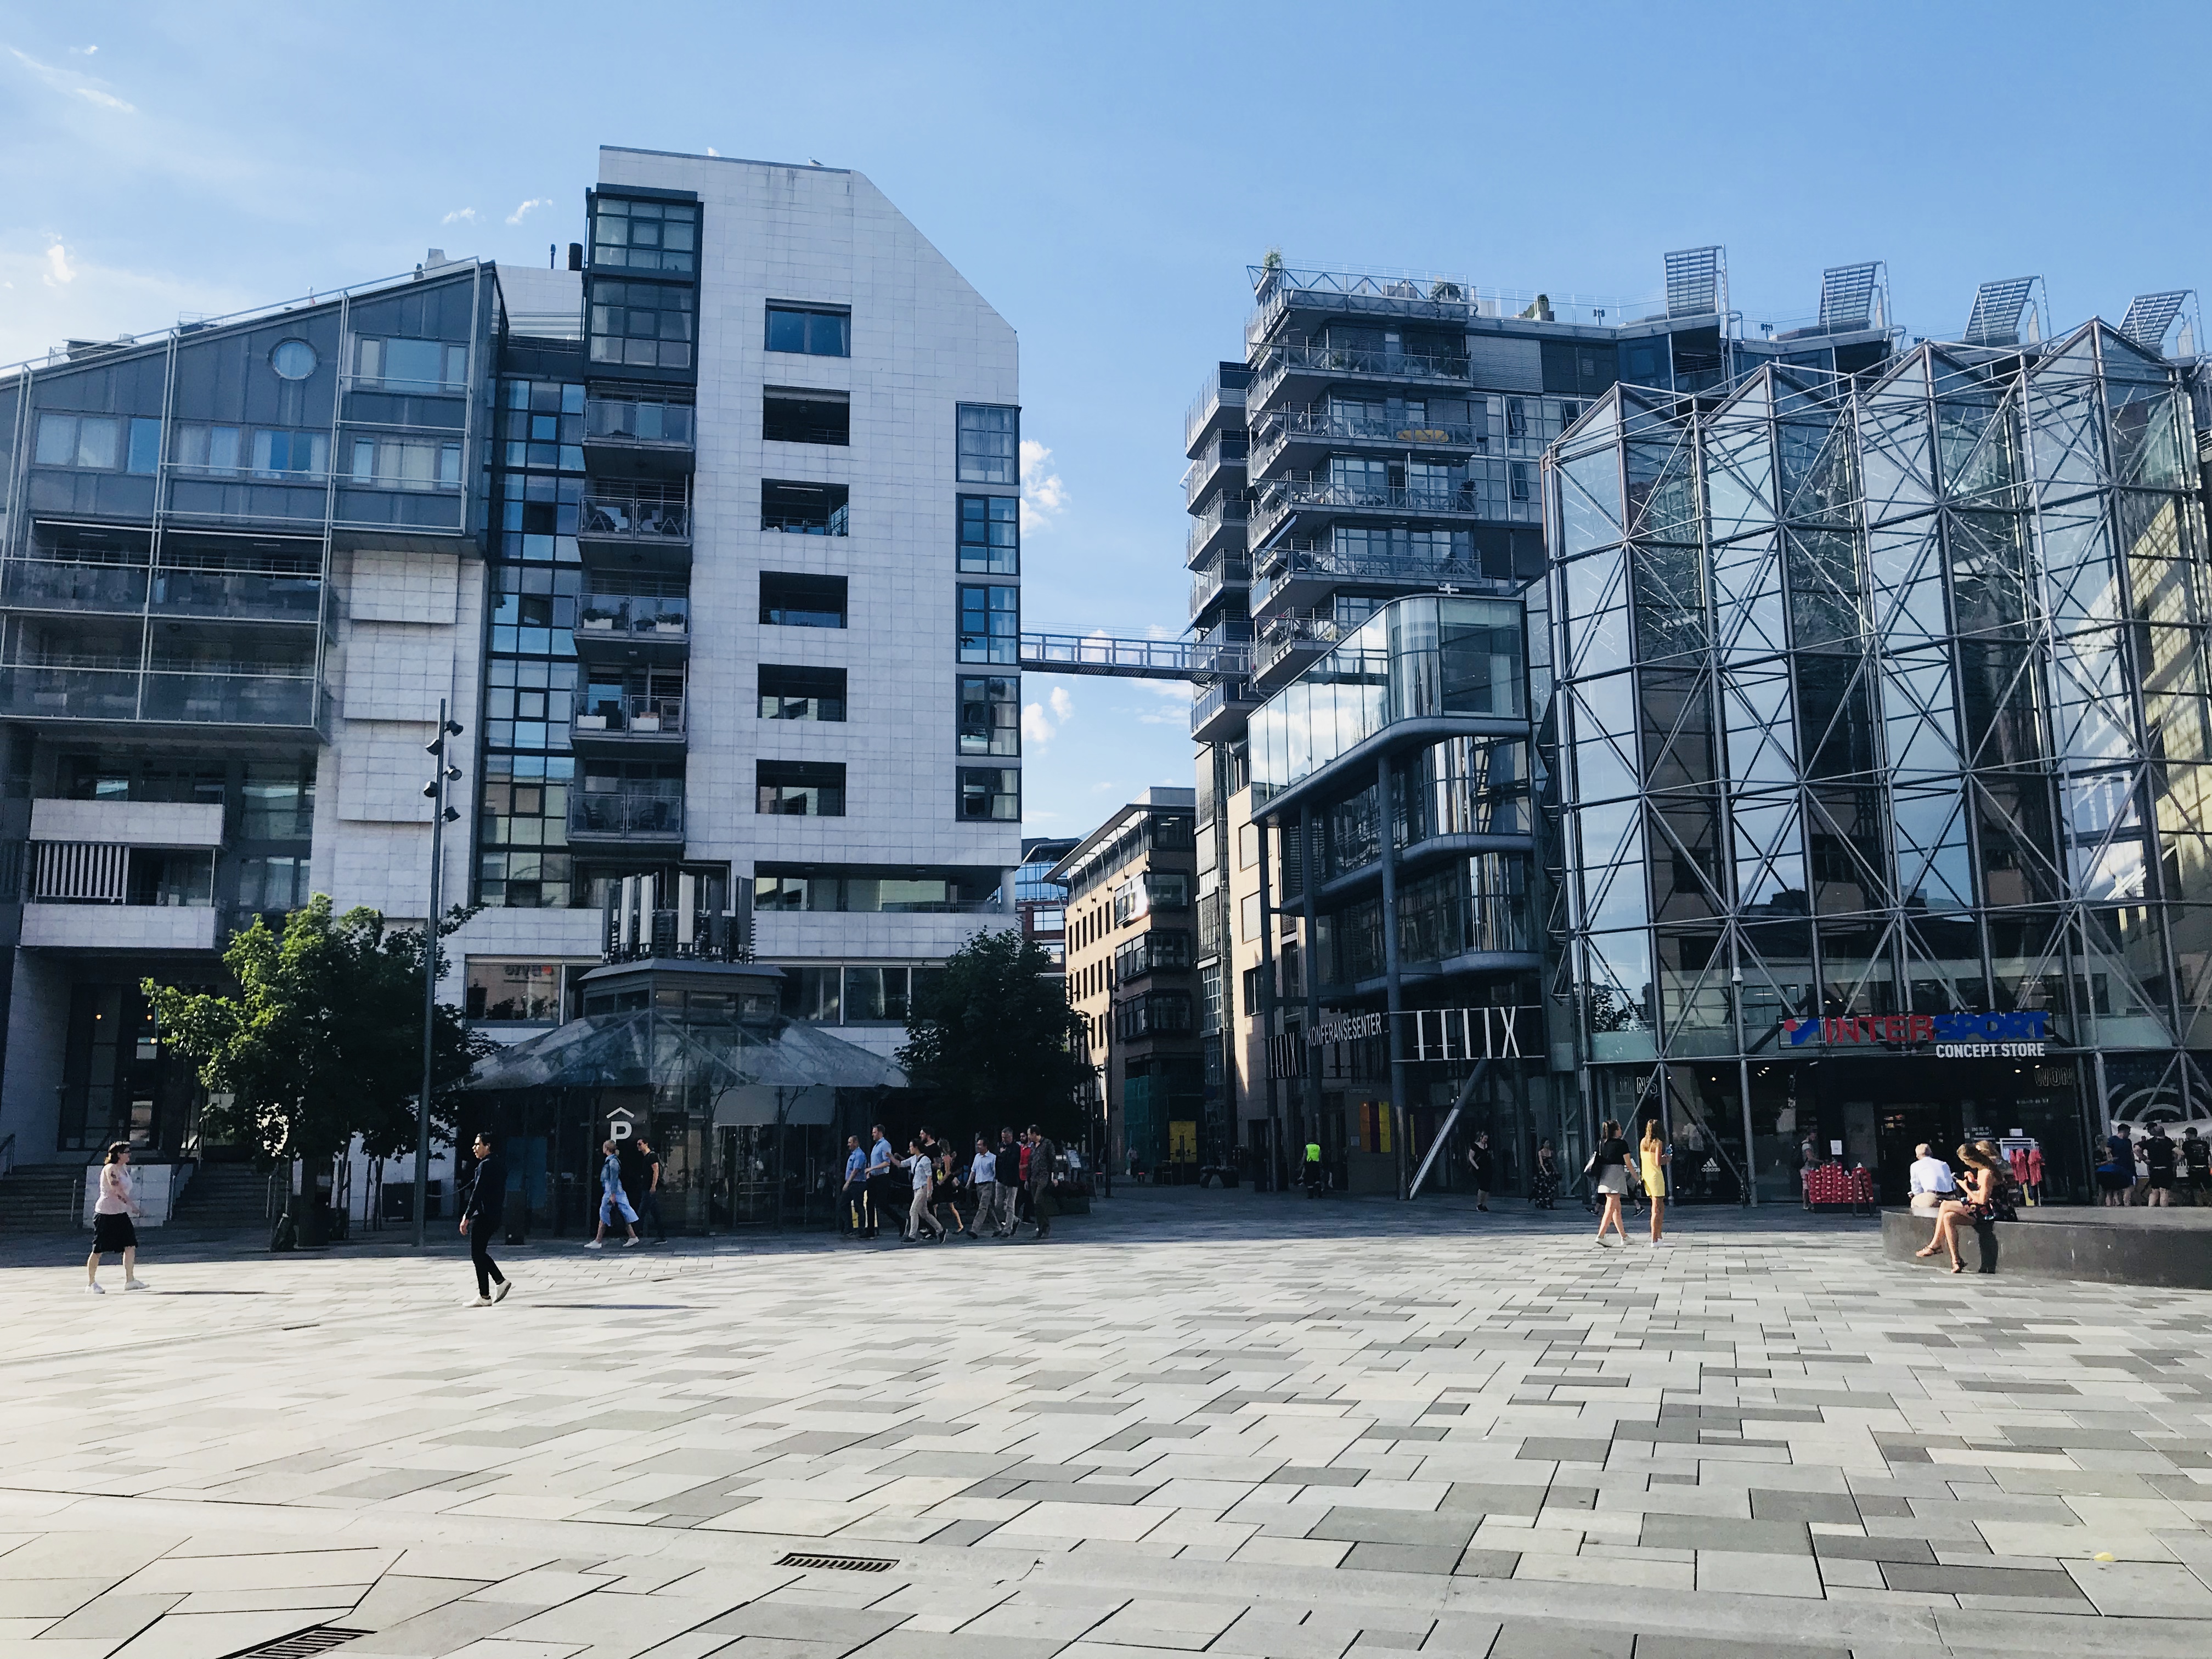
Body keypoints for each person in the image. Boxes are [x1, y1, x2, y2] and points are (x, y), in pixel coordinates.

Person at [1918, 1144, 1999, 1273]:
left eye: (1964, 1161)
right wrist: (1972, 1182)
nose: (1965, 1164)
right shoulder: (1981, 1171)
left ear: (1969, 1159)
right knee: (1948, 1217)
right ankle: (1956, 1261)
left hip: (1990, 1211)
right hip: (1981, 1210)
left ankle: (1936, 1244)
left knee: (1945, 1205)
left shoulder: (1986, 1172)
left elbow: (1982, 1201)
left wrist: (1965, 1187)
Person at [86, 1141, 146, 1293]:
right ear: (119, 1154)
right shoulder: (110, 1169)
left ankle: (130, 1280)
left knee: (130, 1245)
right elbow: (117, 1190)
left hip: (120, 1213)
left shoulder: (123, 1168)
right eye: (126, 1152)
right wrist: (133, 1206)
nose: (129, 1154)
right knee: (99, 1249)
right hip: (105, 1214)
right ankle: (91, 1284)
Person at [460, 1132, 511, 1305]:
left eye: (478, 1144)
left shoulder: (486, 1165)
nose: (474, 1148)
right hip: (495, 1214)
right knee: (479, 1253)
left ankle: (489, 1291)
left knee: (477, 1253)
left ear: (487, 1146)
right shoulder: (499, 1164)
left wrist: (467, 1216)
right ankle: (492, 1288)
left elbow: (478, 1192)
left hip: (483, 1215)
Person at [587, 1138, 641, 1248]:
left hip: (612, 1192)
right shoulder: (611, 1161)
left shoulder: (612, 1162)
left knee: (604, 1214)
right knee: (623, 1214)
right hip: (614, 1191)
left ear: (607, 1149)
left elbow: (614, 1179)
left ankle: (598, 1241)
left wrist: (612, 1195)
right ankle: (633, 1237)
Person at [1590, 1119, 1632, 1247]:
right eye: (1619, 1128)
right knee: (1611, 1206)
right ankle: (1601, 1235)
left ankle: (1624, 1237)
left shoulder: (1601, 1143)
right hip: (1616, 1175)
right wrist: (1637, 1177)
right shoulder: (1621, 1144)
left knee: (1616, 1208)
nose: (1621, 1130)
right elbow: (1628, 1163)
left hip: (1604, 1175)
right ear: (1615, 1130)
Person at [903, 1139, 944, 1243]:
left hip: (923, 1187)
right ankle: (940, 1230)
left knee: (913, 1210)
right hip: (917, 1187)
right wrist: (891, 1157)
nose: (910, 1149)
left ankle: (912, 1236)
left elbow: (929, 1177)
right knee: (924, 1213)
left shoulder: (925, 1160)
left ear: (916, 1147)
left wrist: (929, 1192)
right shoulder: (914, 1159)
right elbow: (901, 1164)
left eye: (911, 1146)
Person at [964, 1137, 1005, 1237]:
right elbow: (973, 1171)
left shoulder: (992, 1158)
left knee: (982, 1207)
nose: (978, 1147)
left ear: (986, 1146)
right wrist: (969, 1183)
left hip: (988, 1185)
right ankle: (998, 1228)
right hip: (979, 1185)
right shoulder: (977, 1157)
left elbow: (995, 1172)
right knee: (988, 1208)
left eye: (980, 1145)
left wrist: (996, 1185)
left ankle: (975, 1229)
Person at [863, 1125, 899, 1238]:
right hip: (874, 1177)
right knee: (870, 1203)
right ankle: (870, 1231)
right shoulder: (876, 1146)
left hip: (882, 1177)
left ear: (879, 1133)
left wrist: (872, 1168)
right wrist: (870, 1172)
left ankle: (901, 1221)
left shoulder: (885, 1145)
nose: (873, 1134)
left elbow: (887, 1162)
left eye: (874, 1132)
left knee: (882, 1204)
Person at [1025, 1125, 1060, 1239]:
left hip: (1043, 1177)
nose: (1028, 1137)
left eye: (1029, 1134)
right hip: (1034, 1178)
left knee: (1038, 1200)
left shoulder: (1048, 1144)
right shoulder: (1033, 1146)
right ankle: (1040, 1228)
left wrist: (1055, 1177)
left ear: (1035, 1134)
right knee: (1036, 1205)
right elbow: (1030, 1163)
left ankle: (1046, 1227)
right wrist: (1027, 1179)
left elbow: (1053, 1160)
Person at [1639, 1121, 1671, 1244]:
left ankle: (1659, 1235)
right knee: (1657, 1209)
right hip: (1656, 1176)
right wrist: (1667, 1158)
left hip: (1647, 1175)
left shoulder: (1643, 1142)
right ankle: (1654, 1238)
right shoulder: (1658, 1143)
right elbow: (1658, 1162)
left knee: (1658, 1206)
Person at [633, 1137, 668, 1241]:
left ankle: (633, 1235)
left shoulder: (652, 1156)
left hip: (649, 1189)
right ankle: (662, 1236)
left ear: (646, 1144)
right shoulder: (646, 1157)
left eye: (640, 1144)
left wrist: (653, 1186)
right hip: (647, 1188)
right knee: (655, 1213)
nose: (638, 1146)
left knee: (642, 1212)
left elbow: (656, 1171)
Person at [1908, 1143, 1957, 1216]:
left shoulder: (1915, 1165)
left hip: (1933, 1197)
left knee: (1914, 1201)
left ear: (1917, 1156)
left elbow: (1916, 1189)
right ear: (1931, 1153)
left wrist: (1916, 1196)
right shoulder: (1943, 1164)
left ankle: (1920, 1222)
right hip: (1950, 1197)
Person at [2098, 1126, 2135, 1207]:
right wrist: (2111, 1161)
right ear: (2123, 1132)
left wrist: (2133, 1164)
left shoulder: (2128, 1141)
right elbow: (2108, 1151)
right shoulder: (2112, 1140)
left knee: (2128, 1187)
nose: (2129, 1134)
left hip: (2127, 1167)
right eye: (2128, 1132)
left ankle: (2123, 1203)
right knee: (2114, 1190)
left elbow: (2131, 1153)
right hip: (2116, 1167)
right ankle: (2116, 1203)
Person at [840, 1135, 869, 1238]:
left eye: (850, 1142)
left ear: (856, 1143)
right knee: (843, 1204)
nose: (848, 1145)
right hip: (852, 1183)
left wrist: (847, 1183)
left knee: (858, 1205)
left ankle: (861, 1229)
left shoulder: (860, 1155)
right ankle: (849, 1227)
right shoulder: (853, 1154)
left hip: (857, 1183)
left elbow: (855, 1170)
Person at [2143, 1122, 2177, 1207]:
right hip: (2166, 1169)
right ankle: (2164, 1210)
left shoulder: (2150, 1142)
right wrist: (2176, 1161)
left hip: (2154, 1170)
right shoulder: (2168, 1142)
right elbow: (2180, 1152)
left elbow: (2137, 1149)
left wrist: (2144, 1159)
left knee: (2154, 1191)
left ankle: (2150, 1208)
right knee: (2164, 1191)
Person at [1464, 1132, 1493, 1212]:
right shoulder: (1475, 1146)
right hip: (1479, 1169)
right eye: (1485, 1138)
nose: (1486, 1140)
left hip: (1487, 1168)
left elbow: (1490, 1155)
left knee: (1487, 1187)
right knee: (1482, 1186)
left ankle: (1484, 1204)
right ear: (1481, 1138)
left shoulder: (1487, 1146)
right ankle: (1479, 1204)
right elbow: (1471, 1157)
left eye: (1487, 1139)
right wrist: (1476, 1166)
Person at [2183, 1127, 2210, 1205]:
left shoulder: (2186, 1144)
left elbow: (2183, 1155)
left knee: (2196, 1189)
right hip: (2205, 1168)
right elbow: (2209, 1155)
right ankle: (2209, 1202)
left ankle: (2199, 1204)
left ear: (2189, 1134)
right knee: (2208, 1187)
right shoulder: (2205, 1143)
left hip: (2194, 1168)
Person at [1531, 1139, 1559, 1210]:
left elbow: (1552, 1163)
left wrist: (1556, 1171)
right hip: (1544, 1171)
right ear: (1543, 1144)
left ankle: (1550, 1202)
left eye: (1548, 1143)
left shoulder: (1551, 1152)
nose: (1548, 1144)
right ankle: (1542, 1201)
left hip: (1550, 1170)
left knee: (1552, 1187)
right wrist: (1545, 1171)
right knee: (1544, 1187)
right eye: (1547, 1143)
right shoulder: (1540, 1152)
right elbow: (1541, 1163)